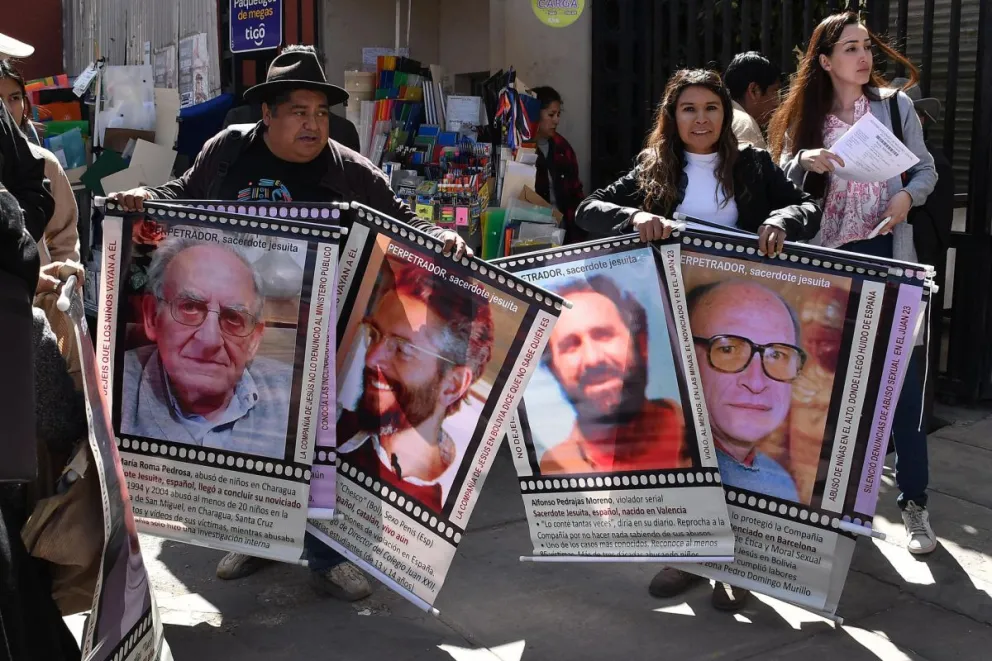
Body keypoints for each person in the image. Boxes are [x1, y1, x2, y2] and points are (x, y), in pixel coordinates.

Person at [110, 44, 470, 600]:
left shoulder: (350, 171)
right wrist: (145, 198)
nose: (313, 124)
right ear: (268, 114)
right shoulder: (228, 152)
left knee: (322, 451)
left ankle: (328, 558)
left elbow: (402, 222)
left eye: (321, 113)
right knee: (251, 447)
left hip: (325, 337)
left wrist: (441, 236)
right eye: (299, 112)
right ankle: (258, 539)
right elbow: (183, 195)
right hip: (243, 333)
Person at [768, 11, 938, 556]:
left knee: (902, 384)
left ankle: (914, 503)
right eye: (850, 48)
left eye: (866, 47)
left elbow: (927, 169)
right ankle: (834, 507)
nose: (864, 57)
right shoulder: (806, 116)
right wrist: (803, 160)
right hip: (827, 265)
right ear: (824, 60)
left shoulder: (894, 106)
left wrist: (906, 196)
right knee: (831, 387)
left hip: (888, 254)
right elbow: (780, 181)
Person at [575, 68, 820, 260]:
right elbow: (587, 210)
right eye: (689, 109)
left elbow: (808, 207)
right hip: (669, 291)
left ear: (725, 115)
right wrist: (636, 217)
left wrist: (781, 221)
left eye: (711, 108)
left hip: (740, 288)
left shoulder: (754, 162)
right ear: (674, 116)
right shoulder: (654, 166)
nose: (701, 119)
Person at [337, 260, 494, 513]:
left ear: (452, 385)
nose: (371, 359)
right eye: (374, 334)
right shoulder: (330, 427)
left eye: (403, 349)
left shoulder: (451, 507)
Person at [120, 237, 292, 460]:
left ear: (253, 340)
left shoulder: (297, 399)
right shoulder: (108, 387)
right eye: (190, 307)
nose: (209, 340)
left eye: (233, 317)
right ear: (152, 317)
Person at [537, 275, 687, 474]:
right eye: (571, 345)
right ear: (553, 368)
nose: (593, 359)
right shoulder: (551, 469)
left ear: (641, 344)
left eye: (603, 335)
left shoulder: (710, 433)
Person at [689, 281, 804, 500]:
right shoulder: (661, 466)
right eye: (728, 349)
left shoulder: (781, 485)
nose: (756, 383)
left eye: (777, 355)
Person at [0, 60, 81, 275]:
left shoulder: (44, 164)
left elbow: (64, 241)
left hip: (38, 289)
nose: (7, 109)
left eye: (15, 98)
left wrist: (64, 281)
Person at [531, 86, 586, 244]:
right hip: (532, 233)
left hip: (565, 232)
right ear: (535, 113)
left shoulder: (562, 148)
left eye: (558, 114)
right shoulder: (520, 147)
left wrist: (579, 232)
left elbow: (575, 191)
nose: (556, 120)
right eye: (551, 114)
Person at [723, 51, 783, 149]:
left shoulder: (720, 116)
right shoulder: (745, 124)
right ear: (754, 90)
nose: (778, 103)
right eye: (775, 91)